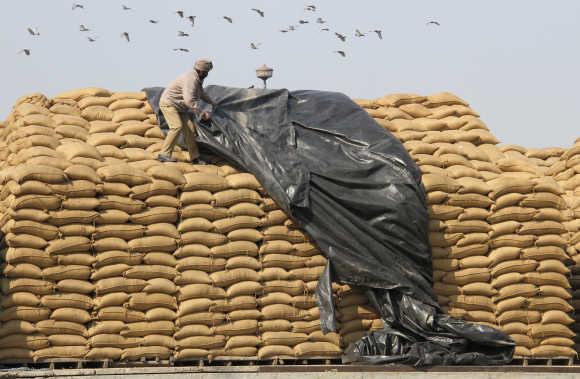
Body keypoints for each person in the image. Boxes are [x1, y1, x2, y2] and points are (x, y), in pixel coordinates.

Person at [157, 58, 216, 164]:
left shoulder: (197, 78)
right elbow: (189, 100)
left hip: (180, 107)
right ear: (202, 71)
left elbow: (201, 93)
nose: (207, 74)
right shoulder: (191, 79)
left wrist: (212, 102)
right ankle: (164, 155)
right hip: (169, 104)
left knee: (190, 131)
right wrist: (201, 113)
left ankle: (195, 158)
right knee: (176, 127)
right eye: (207, 72)